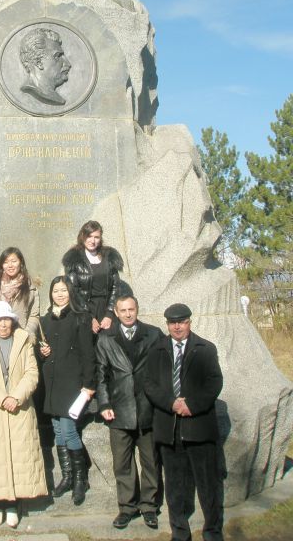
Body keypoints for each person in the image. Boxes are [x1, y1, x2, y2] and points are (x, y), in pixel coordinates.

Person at [144, 304, 224, 541]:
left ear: (190, 322)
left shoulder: (205, 349)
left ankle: (212, 532)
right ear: (167, 324)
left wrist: (192, 405)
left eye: (182, 322)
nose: (177, 327)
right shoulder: (156, 349)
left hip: (199, 428)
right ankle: (180, 532)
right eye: (172, 323)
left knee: (208, 485)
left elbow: (214, 382)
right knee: (175, 487)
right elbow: (149, 383)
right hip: (170, 428)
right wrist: (171, 403)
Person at [0, 301, 47, 528]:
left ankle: (14, 505)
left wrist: (16, 397)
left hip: (20, 408)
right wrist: (2, 398)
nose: (3, 324)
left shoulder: (24, 341)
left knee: (19, 456)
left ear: (12, 321)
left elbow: (32, 373)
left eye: (6, 319)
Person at [96, 295, 163, 530]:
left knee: (151, 462)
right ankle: (127, 508)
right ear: (116, 312)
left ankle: (149, 507)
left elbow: (163, 368)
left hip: (147, 408)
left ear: (137, 309)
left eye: (131, 309)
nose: (127, 314)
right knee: (122, 464)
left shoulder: (153, 334)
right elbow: (101, 374)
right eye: (123, 310)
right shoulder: (106, 338)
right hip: (119, 409)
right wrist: (104, 404)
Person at [38, 277, 95, 505]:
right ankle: (67, 476)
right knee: (57, 431)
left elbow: (88, 354)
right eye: (56, 290)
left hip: (72, 383)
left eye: (63, 290)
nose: (59, 294)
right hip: (52, 382)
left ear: (70, 292)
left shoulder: (80, 317)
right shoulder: (45, 320)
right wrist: (42, 352)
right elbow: (42, 351)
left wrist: (89, 385)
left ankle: (81, 479)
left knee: (69, 430)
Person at [62, 220, 127, 334]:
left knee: (109, 340)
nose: (92, 241)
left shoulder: (109, 256)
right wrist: (89, 317)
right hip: (84, 310)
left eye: (96, 237)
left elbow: (116, 287)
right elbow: (73, 291)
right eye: (89, 236)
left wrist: (109, 314)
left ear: (100, 238)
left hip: (106, 309)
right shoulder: (74, 259)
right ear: (82, 236)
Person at [0, 247, 40, 341]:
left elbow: (34, 315)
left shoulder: (30, 288)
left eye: (14, 261)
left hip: (19, 339)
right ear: (2, 265)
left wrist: (26, 333)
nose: (10, 265)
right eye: (6, 262)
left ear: (21, 263)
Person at [19, 25, 71, 105]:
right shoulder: (33, 91)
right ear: (38, 62)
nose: (68, 64)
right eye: (58, 56)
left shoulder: (55, 97)